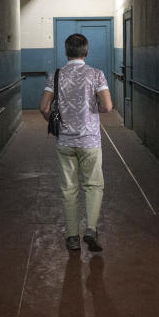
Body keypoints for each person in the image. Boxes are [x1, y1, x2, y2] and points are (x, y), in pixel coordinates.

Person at [39, 33, 113, 251]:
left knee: (69, 188)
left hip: (65, 141)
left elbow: (44, 107)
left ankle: (72, 237)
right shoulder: (96, 75)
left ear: (66, 52)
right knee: (93, 185)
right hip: (90, 140)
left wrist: (53, 121)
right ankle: (90, 228)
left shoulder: (56, 75)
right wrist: (94, 112)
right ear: (86, 52)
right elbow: (107, 106)